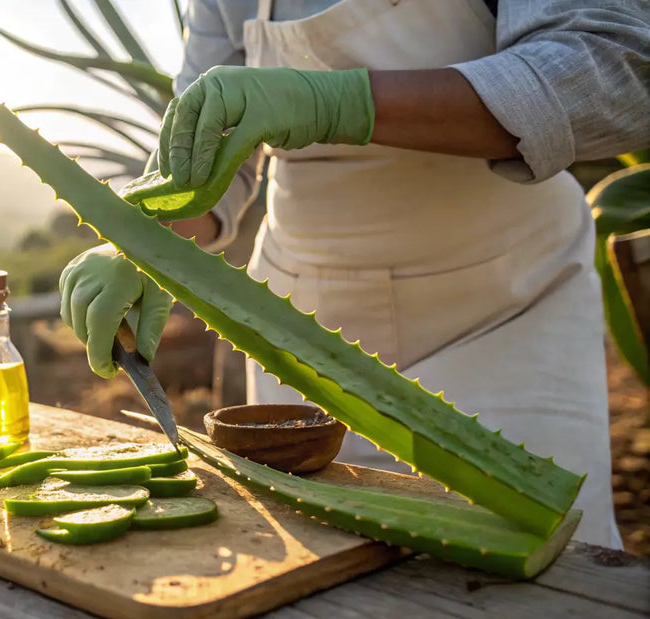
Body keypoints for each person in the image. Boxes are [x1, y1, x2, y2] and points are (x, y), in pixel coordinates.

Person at [59, 0, 650, 549]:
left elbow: (613, 68)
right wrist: (143, 241)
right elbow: (202, 140)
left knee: (542, 567)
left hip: (504, 309)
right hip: (297, 331)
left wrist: (342, 104)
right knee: (314, 565)